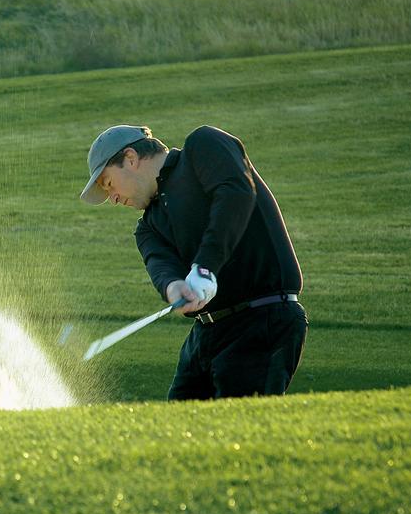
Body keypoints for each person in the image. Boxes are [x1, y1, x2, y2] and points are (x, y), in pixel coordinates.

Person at [78, 124, 307, 399]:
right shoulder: (148, 228)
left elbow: (236, 194)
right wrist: (174, 288)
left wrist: (205, 266)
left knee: (236, 430)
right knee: (178, 430)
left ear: (130, 158)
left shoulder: (203, 146)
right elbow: (160, 266)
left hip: (263, 321)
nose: (113, 198)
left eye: (109, 183)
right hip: (206, 334)